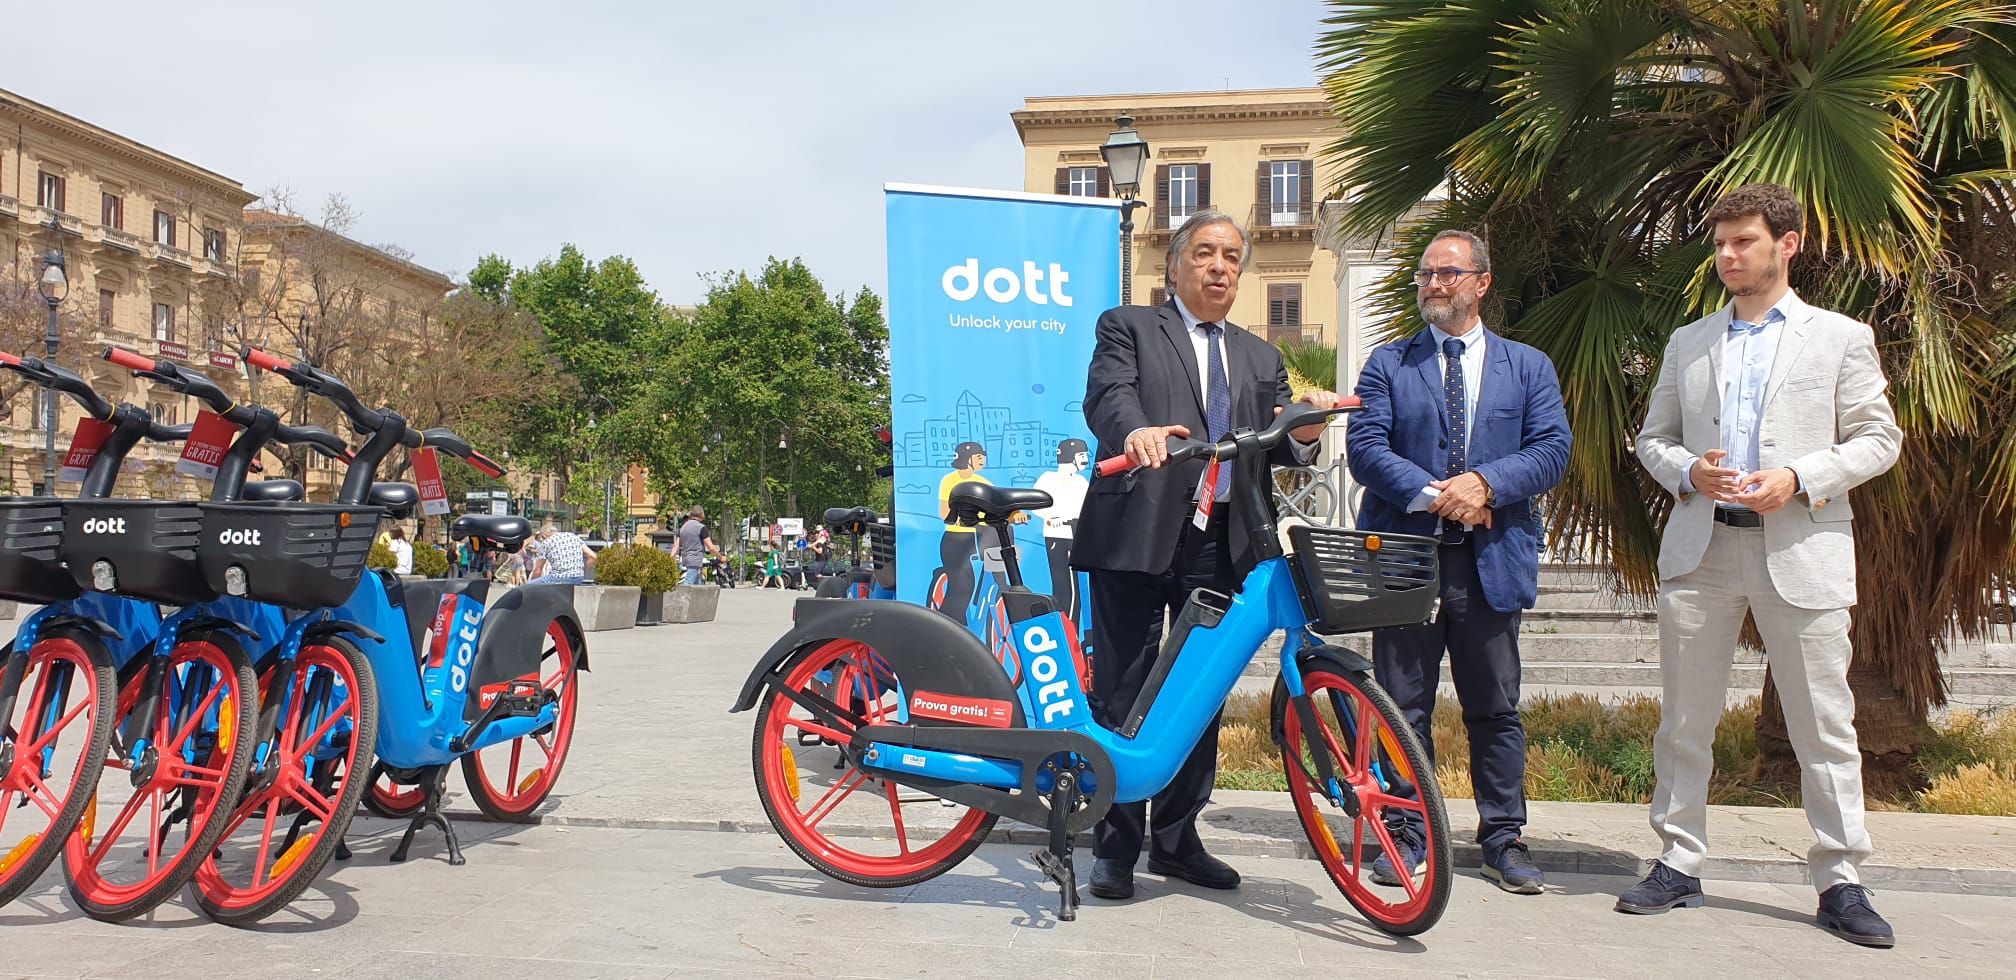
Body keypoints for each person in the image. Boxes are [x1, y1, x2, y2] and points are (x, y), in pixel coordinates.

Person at [1626, 184, 1902, 947]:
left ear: (1788, 243)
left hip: (1803, 543)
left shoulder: (1841, 337)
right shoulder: (1690, 342)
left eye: (1742, 241)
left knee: (1825, 724)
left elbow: (1880, 439)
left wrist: (1802, 477)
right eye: (1720, 243)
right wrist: (1689, 473)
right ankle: (1679, 863)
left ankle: (1841, 878)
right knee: (1685, 720)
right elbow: (1653, 439)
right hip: (1703, 546)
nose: (1726, 255)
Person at [1073, 209, 1342, 902]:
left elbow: (1282, 442)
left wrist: (1305, 429)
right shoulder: (1128, 326)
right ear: (1175, 266)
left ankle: (1178, 840)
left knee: (1199, 696)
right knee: (1123, 691)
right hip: (1138, 533)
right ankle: (1114, 847)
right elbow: (1109, 397)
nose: (1220, 266)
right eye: (1204, 254)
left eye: (1230, 256)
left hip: (1223, 545)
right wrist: (1134, 434)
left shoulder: (1259, 355)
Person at [1346, 229, 1571, 895]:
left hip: (1491, 561)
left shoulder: (1527, 367)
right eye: (1426, 274)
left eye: (1449, 273)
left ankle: (1503, 837)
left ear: (1481, 283)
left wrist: (1488, 486)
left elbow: (1553, 447)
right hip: (1406, 562)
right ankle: (1409, 832)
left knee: (1495, 706)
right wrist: (1443, 497)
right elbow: (1365, 447)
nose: (1435, 284)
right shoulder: (1388, 363)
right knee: (1399, 705)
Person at [1032, 437, 1090, 622]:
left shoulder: (1080, 482)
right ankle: (1064, 628)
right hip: (1057, 536)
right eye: (1081, 455)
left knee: (1075, 589)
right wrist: (1052, 516)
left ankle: (1069, 628)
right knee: (1064, 588)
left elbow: (1087, 508)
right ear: (1069, 457)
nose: (1085, 459)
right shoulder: (1048, 479)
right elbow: (1036, 503)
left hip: (1077, 537)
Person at [933, 442, 992, 618]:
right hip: (955, 539)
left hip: (978, 538)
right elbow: (944, 511)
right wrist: (961, 520)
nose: (983, 460)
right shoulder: (949, 480)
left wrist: (1016, 513)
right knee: (962, 583)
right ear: (968, 459)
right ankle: (950, 621)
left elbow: (999, 501)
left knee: (980, 580)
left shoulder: (983, 483)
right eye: (979, 457)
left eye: (983, 456)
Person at [527, 523, 595, 585]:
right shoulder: (573, 536)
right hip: (578, 579)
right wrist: (581, 572)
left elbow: (538, 571)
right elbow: (592, 556)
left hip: (559, 578)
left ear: (543, 536)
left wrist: (532, 584)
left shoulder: (546, 543)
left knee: (529, 585)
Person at [677, 506, 721, 586]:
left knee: (698, 583)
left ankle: (702, 598)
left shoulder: (683, 528)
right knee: (688, 583)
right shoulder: (701, 528)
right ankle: (681, 598)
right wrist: (721, 557)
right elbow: (711, 547)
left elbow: (676, 545)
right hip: (695, 559)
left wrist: (670, 558)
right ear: (702, 515)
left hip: (685, 559)